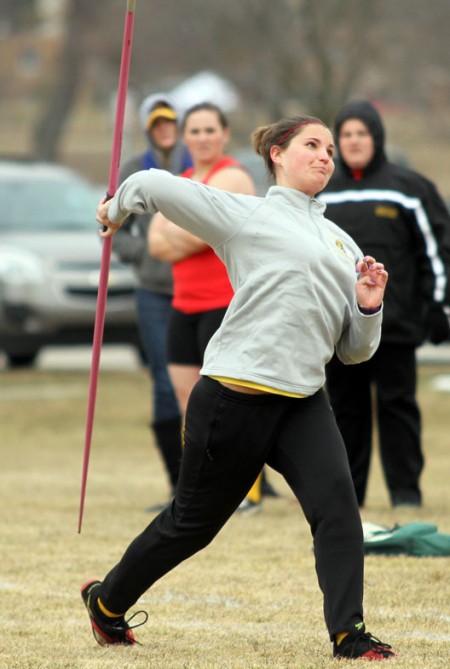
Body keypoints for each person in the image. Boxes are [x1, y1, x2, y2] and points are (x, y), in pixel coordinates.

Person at [82, 114, 396, 661]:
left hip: (302, 401)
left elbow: (354, 350)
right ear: (277, 153)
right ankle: (107, 603)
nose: (326, 155)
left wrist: (370, 305)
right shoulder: (247, 216)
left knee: (338, 511)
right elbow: (155, 185)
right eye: (311, 145)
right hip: (235, 395)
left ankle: (349, 634)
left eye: (329, 149)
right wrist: (115, 208)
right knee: (191, 526)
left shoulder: (343, 243)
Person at [318, 99, 450, 508]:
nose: (354, 142)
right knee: (346, 412)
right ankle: (348, 497)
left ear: (377, 138)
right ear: (337, 142)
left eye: (362, 134)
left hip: (395, 325)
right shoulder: (322, 193)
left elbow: (438, 251)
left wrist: (437, 307)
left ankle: (406, 494)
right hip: (342, 330)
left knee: (398, 409)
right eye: (346, 135)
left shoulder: (408, 189)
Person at [149, 102, 270, 514]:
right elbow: (156, 244)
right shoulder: (181, 180)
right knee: (188, 401)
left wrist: (181, 230)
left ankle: (244, 493)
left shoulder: (233, 175)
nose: (202, 138)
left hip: (225, 304)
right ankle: (196, 491)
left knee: (228, 401)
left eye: (209, 130)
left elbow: (203, 233)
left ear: (224, 133)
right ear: (184, 138)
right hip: (183, 306)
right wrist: (192, 229)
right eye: (194, 131)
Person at [112, 93, 193, 507]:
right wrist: (143, 253)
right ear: (147, 127)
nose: (165, 129)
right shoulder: (133, 168)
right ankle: (177, 483)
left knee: (213, 383)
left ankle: (239, 480)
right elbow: (114, 228)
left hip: (196, 287)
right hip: (154, 293)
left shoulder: (193, 163)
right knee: (164, 382)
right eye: (157, 122)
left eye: (170, 121)